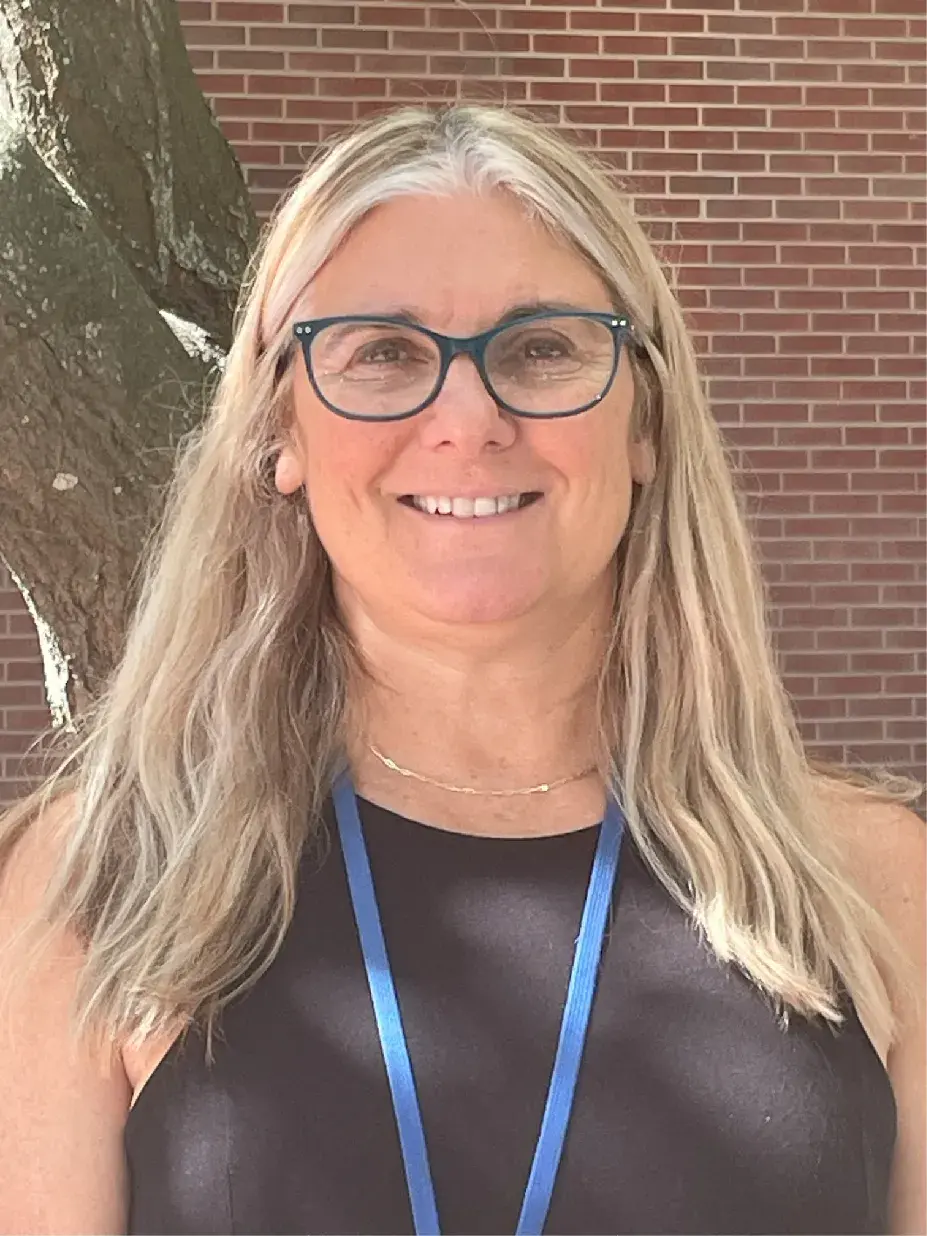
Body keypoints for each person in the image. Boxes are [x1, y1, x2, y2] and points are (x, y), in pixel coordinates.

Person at [0, 102, 923, 1236]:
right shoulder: (99, 886)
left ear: (646, 423)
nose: (467, 417)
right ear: (278, 434)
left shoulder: (876, 890)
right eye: (382, 354)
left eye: (542, 349)